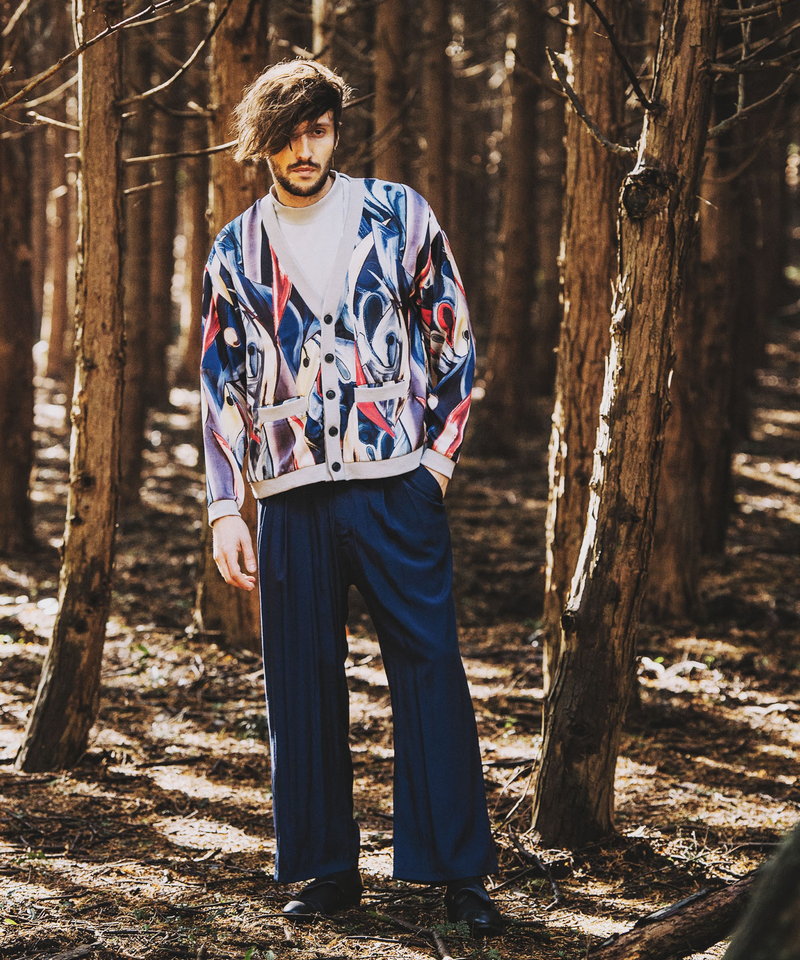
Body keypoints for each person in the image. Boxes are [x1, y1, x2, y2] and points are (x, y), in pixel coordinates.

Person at [200, 58, 503, 937]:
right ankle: (327, 870)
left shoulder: (398, 215)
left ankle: (458, 873)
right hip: (289, 498)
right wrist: (225, 506)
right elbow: (219, 384)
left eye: (320, 130)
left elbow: (453, 338)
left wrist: (435, 464)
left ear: (336, 132)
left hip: (395, 488)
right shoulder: (235, 249)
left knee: (430, 668)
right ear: (264, 141)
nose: (305, 149)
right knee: (299, 685)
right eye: (289, 134)